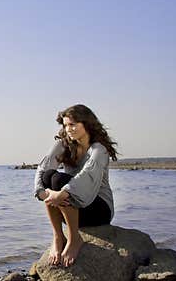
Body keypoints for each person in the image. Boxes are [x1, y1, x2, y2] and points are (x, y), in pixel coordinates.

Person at [33, 104, 118, 267]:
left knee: (58, 181)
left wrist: (62, 193)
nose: (68, 129)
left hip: (99, 209)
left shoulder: (99, 149)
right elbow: (43, 167)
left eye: (72, 124)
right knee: (48, 176)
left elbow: (86, 177)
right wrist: (42, 193)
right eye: (65, 125)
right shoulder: (64, 145)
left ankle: (74, 239)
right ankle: (58, 236)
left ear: (86, 123)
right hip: (71, 208)